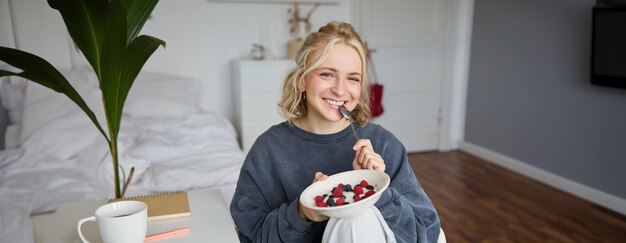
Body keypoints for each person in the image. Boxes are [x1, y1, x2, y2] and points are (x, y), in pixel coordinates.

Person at [230, 21, 441, 243]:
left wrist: (376, 188)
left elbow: (426, 233)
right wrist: (302, 212)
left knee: (355, 218)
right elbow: (252, 237)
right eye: (327, 74)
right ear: (302, 80)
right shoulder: (268, 149)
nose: (340, 90)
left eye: (352, 78)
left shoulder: (384, 144)